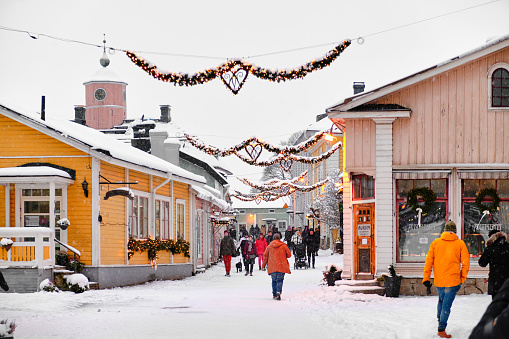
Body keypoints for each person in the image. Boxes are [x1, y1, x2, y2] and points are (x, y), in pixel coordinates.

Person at [423, 220, 470, 338]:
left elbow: (429, 262)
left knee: (441, 301)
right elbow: (466, 263)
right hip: (453, 280)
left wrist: (426, 278)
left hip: (439, 280)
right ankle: (441, 329)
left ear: (444, 231)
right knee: (446, 305)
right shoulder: (460, 244)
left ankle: (440, 323)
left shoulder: (436, 243)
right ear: (454, 231)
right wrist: (462, 277)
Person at [478, 229, 509, 299]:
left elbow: (482, 263)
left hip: (495, 281)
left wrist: (487, 251)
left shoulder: (491, 249)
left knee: (496, 305)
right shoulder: (507, 247)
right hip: (507, 282)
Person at [262, 233, 291, 300]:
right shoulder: (283, 246)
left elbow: (265, 257)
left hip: (272, 266)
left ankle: (274, 294)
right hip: (281, 265)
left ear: (273, 238)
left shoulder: (269, 246)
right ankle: (279, 291)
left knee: (274, 280)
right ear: (279, 238)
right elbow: (289, 255)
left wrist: (263, 266)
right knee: (280, 280)